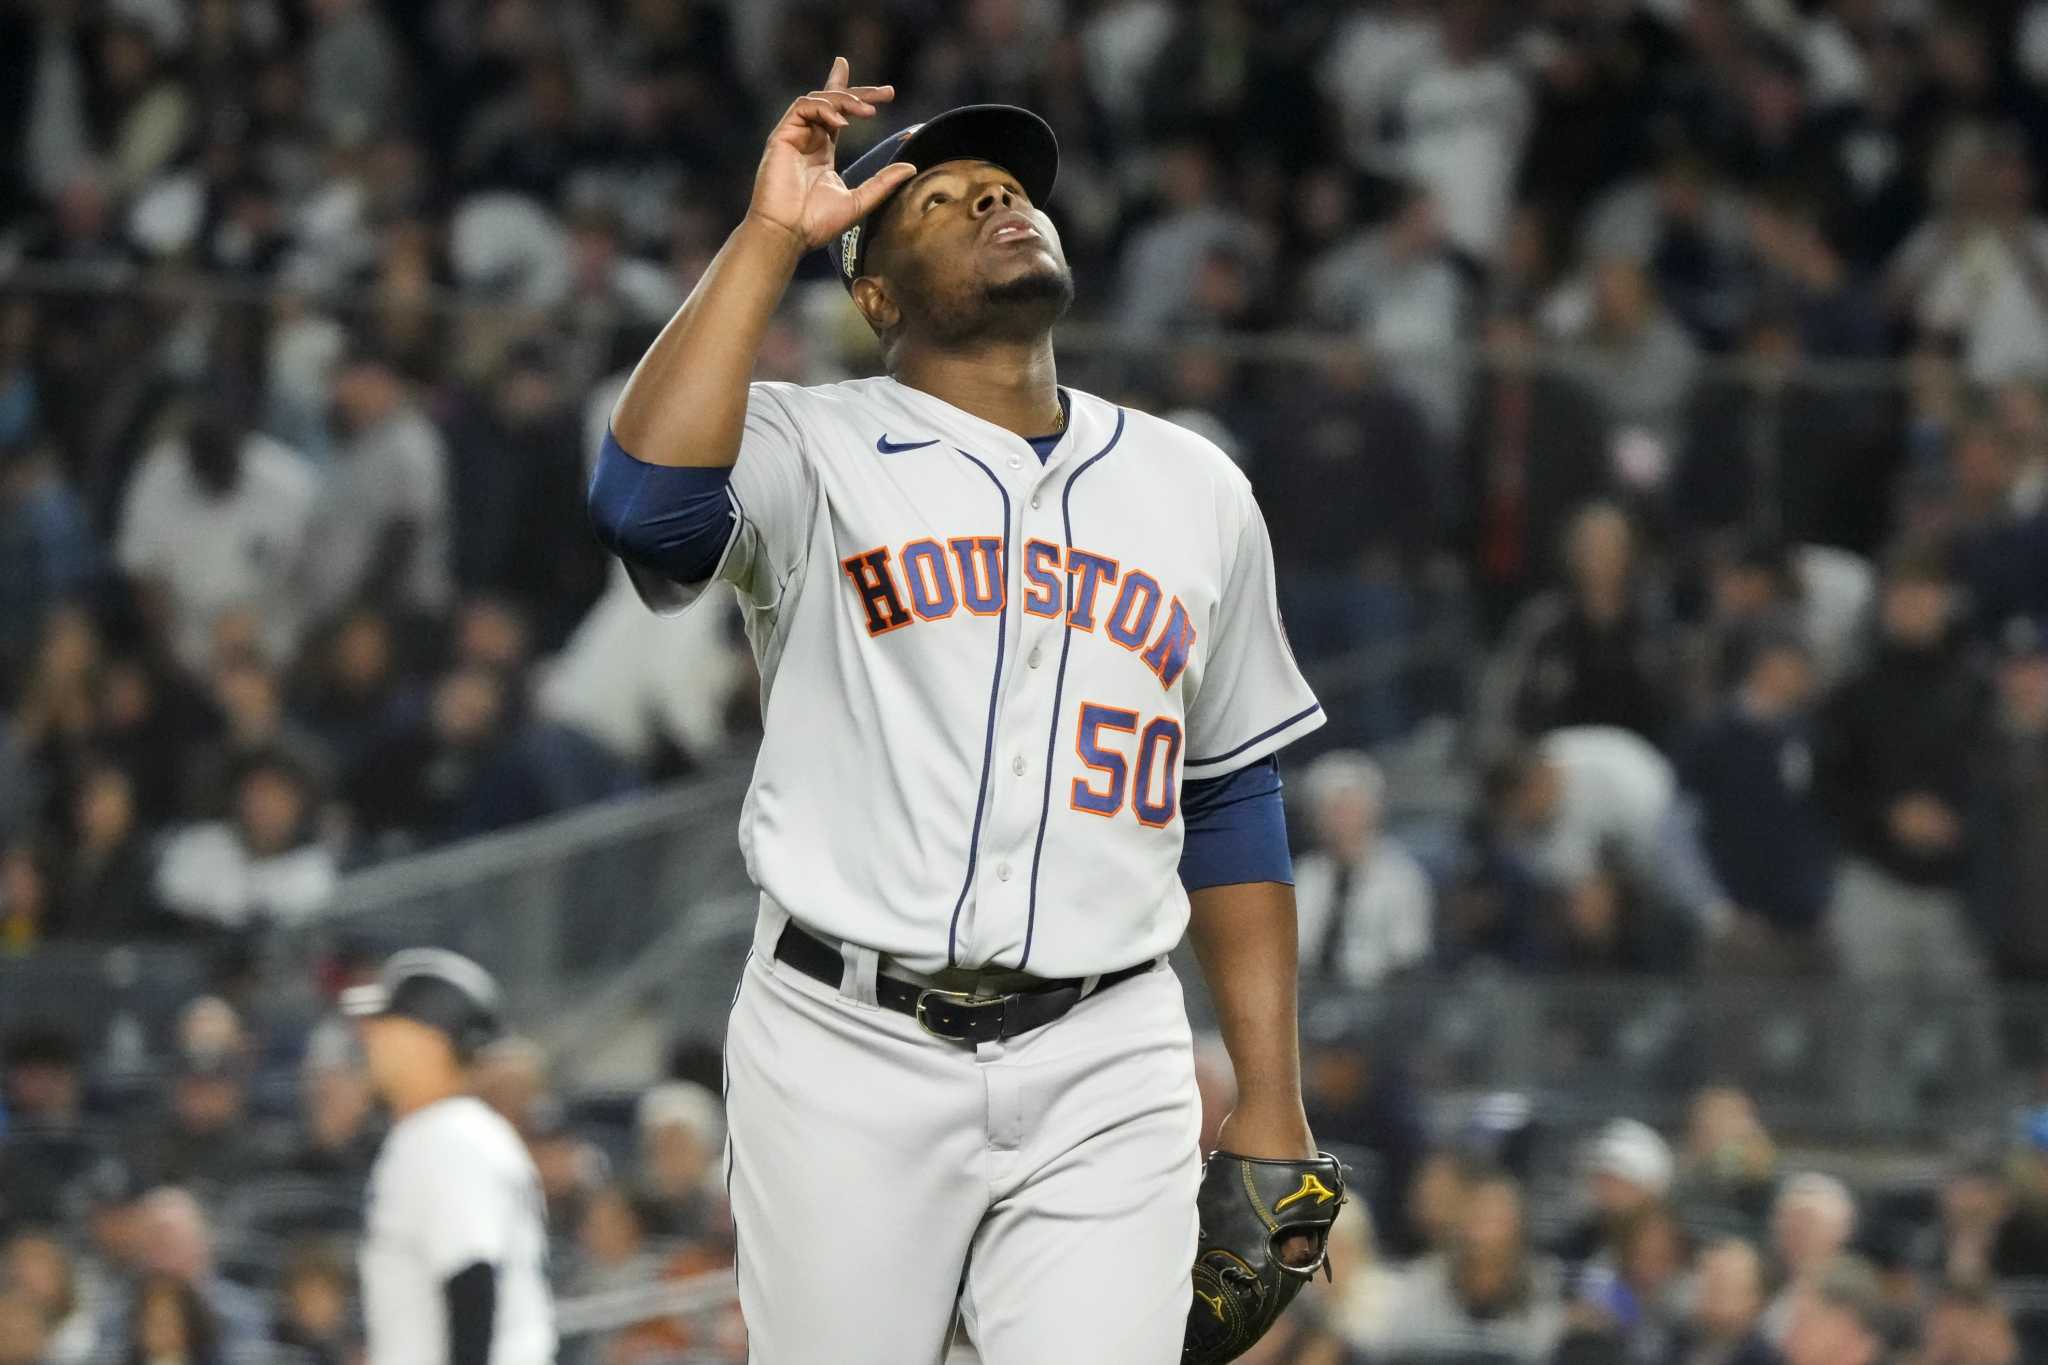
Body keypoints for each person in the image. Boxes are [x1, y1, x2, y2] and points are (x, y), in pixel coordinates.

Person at [589, 62, 1329, 1363]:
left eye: (1008, 189)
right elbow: (644, 505)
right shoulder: (807, 446)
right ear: (874, 294)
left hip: (1109, 1048)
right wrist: (770, 233)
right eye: (942, 201)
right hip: (843, 1045)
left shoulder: (1194, 487)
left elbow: (1227, 796)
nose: (997, 198)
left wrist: (1271, 1096)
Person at [342, 949, 554, 1365]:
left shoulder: (446, 1137)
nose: (370, 1036)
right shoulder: (452, 1131)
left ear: (431, 1042)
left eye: (388, 1026)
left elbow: (473, 1282)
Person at [1292, 751, 1433, 989]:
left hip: (1379, 999)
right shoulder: (1304, 875)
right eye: (1331, 809)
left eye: (1350, 808)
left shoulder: (1401, 877)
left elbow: (1410, 956)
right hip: (1310, 996)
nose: (1341, 820)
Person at [1673, 1238, 1781, 1365]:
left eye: (1721, 1285)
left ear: (1754, 1298)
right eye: (1706, 1283)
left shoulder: (1765, 1359)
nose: (1708, 1295)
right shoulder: (1678, 1341)